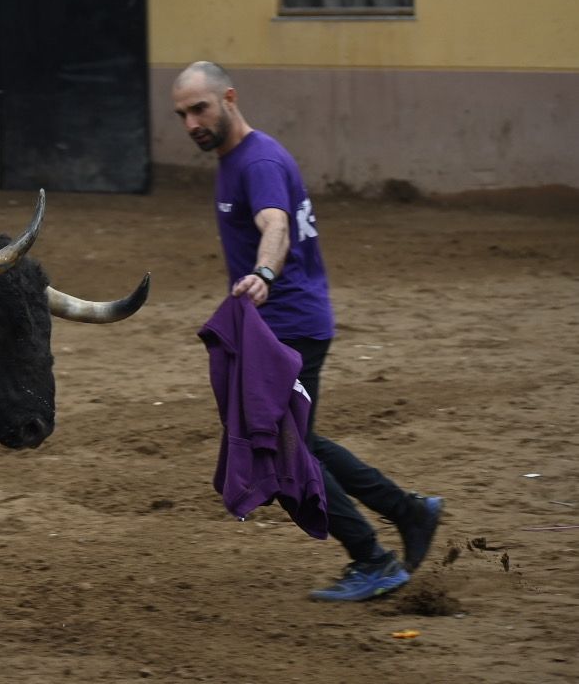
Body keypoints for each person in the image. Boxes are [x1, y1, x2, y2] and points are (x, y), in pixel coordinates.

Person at [170, 60, 445, 602]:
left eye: (199, 108)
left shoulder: (259, 162)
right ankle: (410, 513)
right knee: (304, 439)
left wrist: (265, 273)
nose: (191, 123)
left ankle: (373, 559)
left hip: (289, 326)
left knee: (288, 447)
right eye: (181, 114)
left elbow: (275, 223)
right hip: (280, 323)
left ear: (229, 98)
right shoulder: (235, 158)